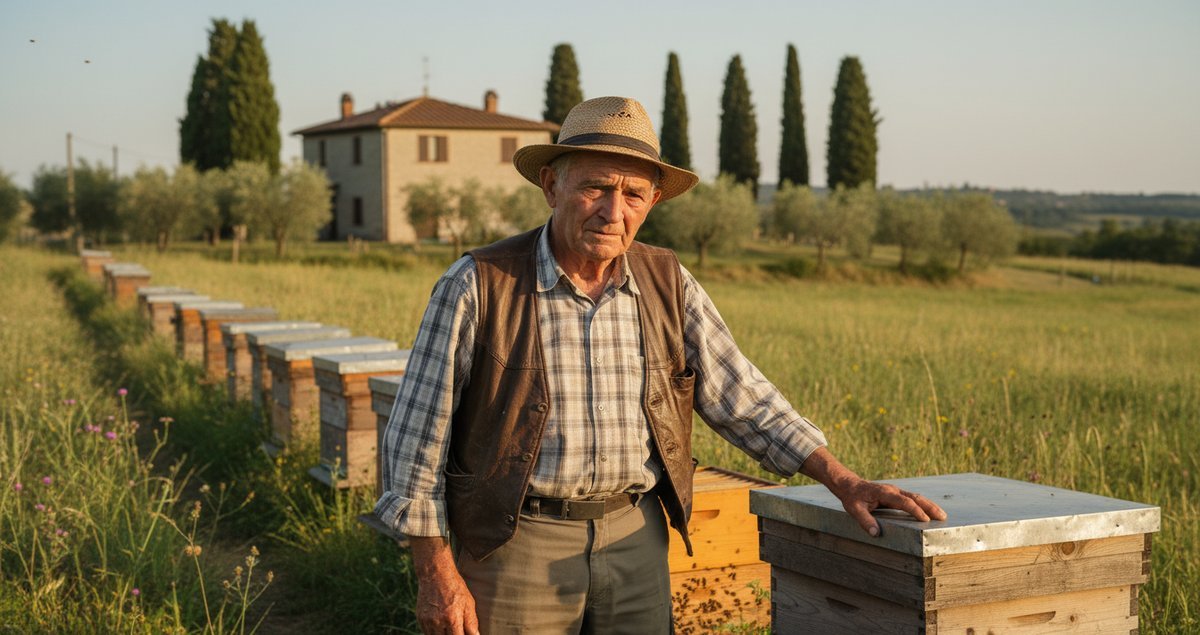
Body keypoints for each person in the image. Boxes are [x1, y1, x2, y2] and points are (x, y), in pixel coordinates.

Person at [374, 96, 947, 634]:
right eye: (595, 187)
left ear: (651, 202)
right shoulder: (478, 283)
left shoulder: (668, 281)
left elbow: (741, 395)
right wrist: (435, 572)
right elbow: (416, 441)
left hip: (635, 537)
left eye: (633, 195)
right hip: (514, 542)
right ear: (552, 185)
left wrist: (843, 480)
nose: (612, 211)